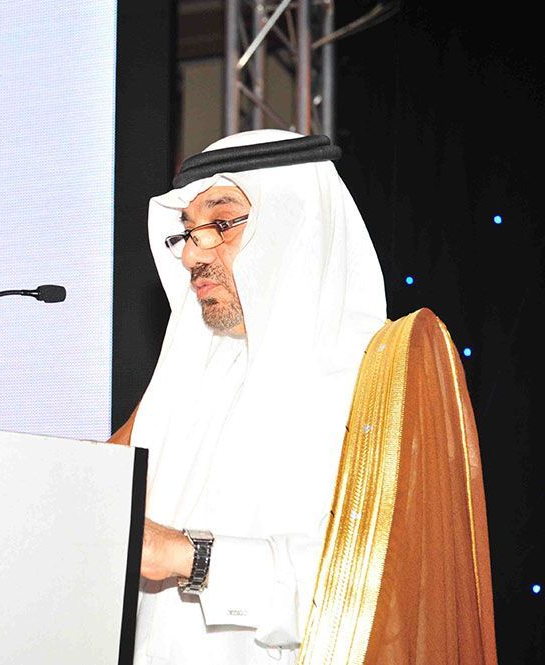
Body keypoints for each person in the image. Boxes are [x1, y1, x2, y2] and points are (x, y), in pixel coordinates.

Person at [110, 128, 389, 664]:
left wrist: (184, 555)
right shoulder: (181, 377)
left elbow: (374, 585)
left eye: (219, 224)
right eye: (188, 233)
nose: (192, 254)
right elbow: (92, 494)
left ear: (294, 224)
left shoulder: (374, 382)